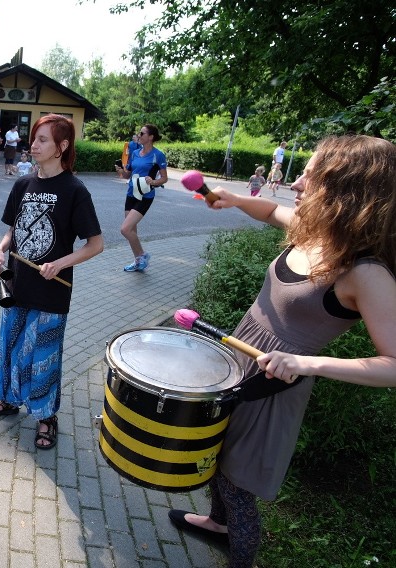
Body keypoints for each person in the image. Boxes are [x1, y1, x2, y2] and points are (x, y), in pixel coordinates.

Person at [170, 135, 396, 568]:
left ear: (345, 186)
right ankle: (218, 524)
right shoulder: (316, 233)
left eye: (310, 174)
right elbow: (272, 210)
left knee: (238, 482)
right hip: (238, 356)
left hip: (274, 384)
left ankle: (242, 560)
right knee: (214, 453)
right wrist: (234, 200)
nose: (296, 183)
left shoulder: (366, 271)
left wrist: (305, 362)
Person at [0, 114, 104, 451]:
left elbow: (96, 244)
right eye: (34, 138)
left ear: (62, 147)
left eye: (43, 139)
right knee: (9, 348)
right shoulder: (22, 185)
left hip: (52, 290)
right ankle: (8, 400)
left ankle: (46, 416)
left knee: (43, 356)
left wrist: (60, 262)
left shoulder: (75, 190)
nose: (34, 144)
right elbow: (12, 230)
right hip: (17, 286)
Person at [114, 123, 168, 272]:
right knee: (132, 231)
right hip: (131, 194)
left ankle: (142, 255)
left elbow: (164, 178)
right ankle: (138, 261)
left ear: (151, 137)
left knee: (125, 229)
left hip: (145, 196)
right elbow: (127, 174)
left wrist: (154, 182)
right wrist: (120, 171)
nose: (139, 135)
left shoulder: (158, 155)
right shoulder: (136, 153)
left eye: (142, 133)